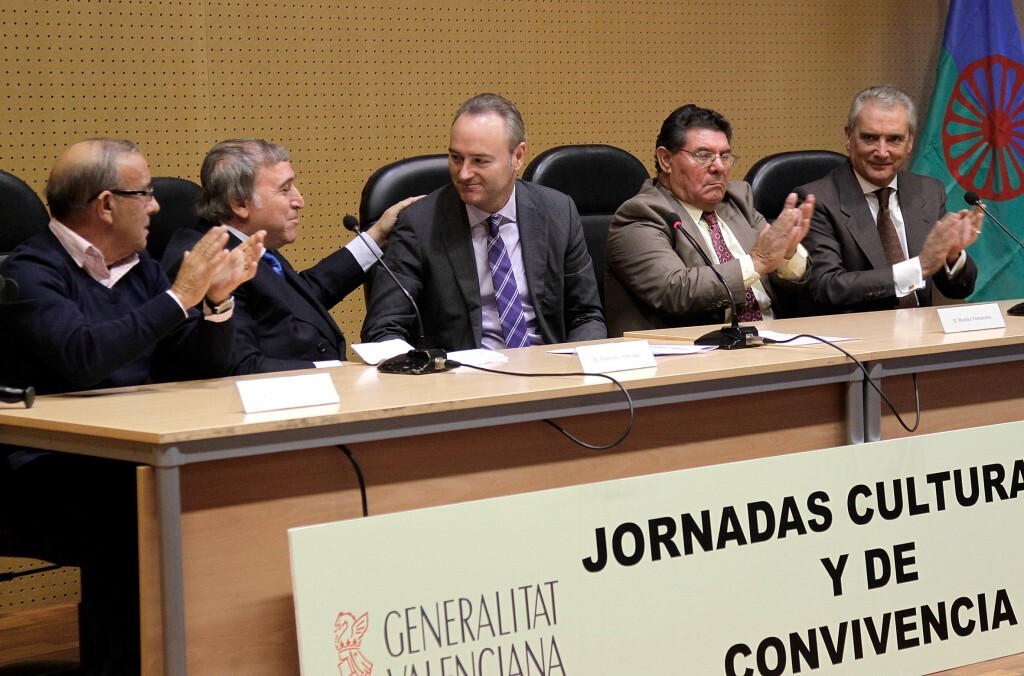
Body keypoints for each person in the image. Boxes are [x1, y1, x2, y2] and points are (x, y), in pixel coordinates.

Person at [0, 138, 261, 675]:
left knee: (230, 485)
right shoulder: (30, 272)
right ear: (105, 205)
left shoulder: (138, 269)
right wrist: (178, 298)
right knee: (139, 509)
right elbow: (84, 357)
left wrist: (215, 304)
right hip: (42, 471)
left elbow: (195, 366)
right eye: (144, 193)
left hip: (132, 453)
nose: (157, 206)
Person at [360, 93, 606, 350]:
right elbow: (382, 329)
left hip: (549, 373)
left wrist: (574, 368)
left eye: (480, 161)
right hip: (462, 380)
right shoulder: (420, 224)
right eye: (456, 158)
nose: (464, 173)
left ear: (518, 157)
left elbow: (586, 315)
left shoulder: (558, 212)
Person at [162, 138, 421, 373]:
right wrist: (338, 373)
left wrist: (375, 237)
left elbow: (295, 300)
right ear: (240, 203)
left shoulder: (246, 241)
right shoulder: (214, 262)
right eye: (285, 190)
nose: (299, 200)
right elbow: (240, 367)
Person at [604, 104, 814, 337]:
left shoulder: (738, 200)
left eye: (724, 156)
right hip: (690, 352)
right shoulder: (641, 214)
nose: (718, 167)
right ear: (665, 160)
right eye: (703, 156)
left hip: (771, 340)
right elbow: (674, 291)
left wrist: (787, 253)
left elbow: (787, 283)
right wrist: (758, 261)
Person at [796, 85, 980, 313]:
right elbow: (828, 287)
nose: (882, 152)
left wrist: (951, 255)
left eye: (894, 139)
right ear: (848, 137)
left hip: (923, 337)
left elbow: (959, 290)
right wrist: (919, 267)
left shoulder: (928, 191)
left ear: (910, 142)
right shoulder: (816, 201)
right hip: (860, 340)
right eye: (870, 138)